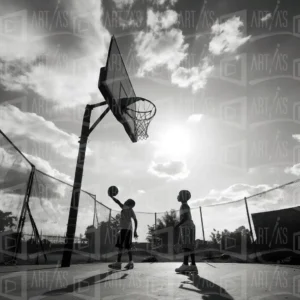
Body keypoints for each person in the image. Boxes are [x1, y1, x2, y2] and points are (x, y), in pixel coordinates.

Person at [108, 193, 138, 270]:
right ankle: (130, 262)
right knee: (128, 246)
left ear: (130, 205)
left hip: (125, 229)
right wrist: (135, 231)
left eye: (127, 201)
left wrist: (111, 196)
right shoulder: (131, 210)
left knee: (121, 246)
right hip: (129, 230)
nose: (125, 202)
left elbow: (118, 202)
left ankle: (118, 263)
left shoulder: (126, 208)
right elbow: (135, 220)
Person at [174, 190, 197, 274]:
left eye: (179, 195)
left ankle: (185, 264)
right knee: (190, 246)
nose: (178, 196)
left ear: (182, 197)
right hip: (190, 226)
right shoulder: (185, 205)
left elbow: (185, 217)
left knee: (186, 246)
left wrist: (177, 224)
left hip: (187, 227)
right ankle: (193, 265)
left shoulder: (184, 206)